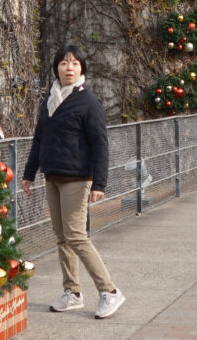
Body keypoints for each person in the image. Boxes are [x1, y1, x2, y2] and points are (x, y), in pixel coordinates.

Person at [22, 44, 126, 320]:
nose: (69, 68)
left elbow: (100, 144)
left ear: (82, 69)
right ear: (56, 68)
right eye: (64, 63)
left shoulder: (88, 102)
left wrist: (99, 184)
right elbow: (39, 138)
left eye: (75, 64)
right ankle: (73, 293)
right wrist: (29, 173)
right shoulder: (50, 100)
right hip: (52, 177)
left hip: (78, 179)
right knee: (61, 237)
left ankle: (110, 292)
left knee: (77, 237)